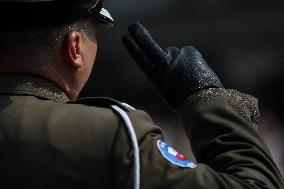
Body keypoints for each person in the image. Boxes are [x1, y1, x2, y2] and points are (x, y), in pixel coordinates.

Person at [0, 0, 283, 188]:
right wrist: (206, 99)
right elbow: (256, 184)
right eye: (92, 34)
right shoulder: (110, 135)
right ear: (74, 47)